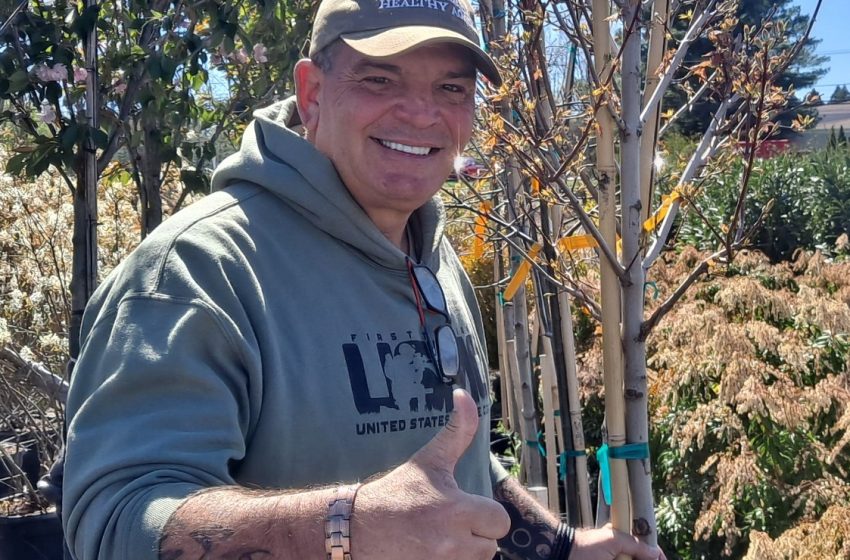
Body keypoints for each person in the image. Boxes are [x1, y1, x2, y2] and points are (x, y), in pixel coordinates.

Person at [61, 0, 666, 558]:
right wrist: (344, 528)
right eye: (380, 79)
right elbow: (114, 523)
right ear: (312, 92)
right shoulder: (197, 271)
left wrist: (559, 548)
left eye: (451, 88)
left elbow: (447, 471)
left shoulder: (430, 254)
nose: (422, 113)